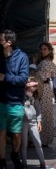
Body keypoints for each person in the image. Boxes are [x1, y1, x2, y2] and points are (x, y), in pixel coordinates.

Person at [0, 29, 29, 169]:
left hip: (16, 101)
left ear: (9, 42)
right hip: (1, 101)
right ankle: (2, 160)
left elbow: (23, 79)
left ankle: (15, 154)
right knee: (1, 133)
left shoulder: (22, 57)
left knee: (16, 135)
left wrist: (5, 77)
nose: (0, 42)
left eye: (1, 40)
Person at [36, 42, 56, 147]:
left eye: (45, 49)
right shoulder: (44, 62)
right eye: (41, 49)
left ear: (49, 51)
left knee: (43, 113)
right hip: (43, 88)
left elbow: (53, 74)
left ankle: (43, 139)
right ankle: (43, 139)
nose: (43, 51)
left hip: (44, 89)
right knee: (44, 113)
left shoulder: (47, 62)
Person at [21, 77, 45, 168]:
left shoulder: (35, 96)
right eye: (33, 85)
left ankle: (42, 163)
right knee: (24, 144)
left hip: (33, 121)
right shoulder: (22, 95)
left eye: (36, 86)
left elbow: (38, 110)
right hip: (23, 121)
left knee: (38, 142)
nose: (35, 87)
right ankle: (24, 163)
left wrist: (39, 121)